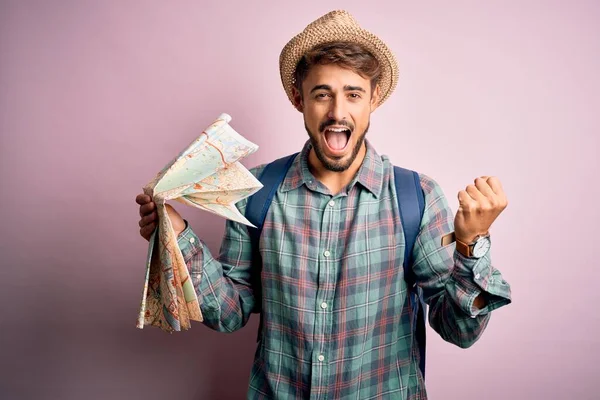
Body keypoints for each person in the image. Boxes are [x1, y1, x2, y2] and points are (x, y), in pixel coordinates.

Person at [135, 10, 511, 400]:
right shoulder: (254, 193)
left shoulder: (416, 197)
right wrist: (178, 239)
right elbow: (228, 314)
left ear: (373, 100)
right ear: (299, 99)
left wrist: (472, 244)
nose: (337, 112)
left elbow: (460, 331)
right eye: (322, 94)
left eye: (353, 93)